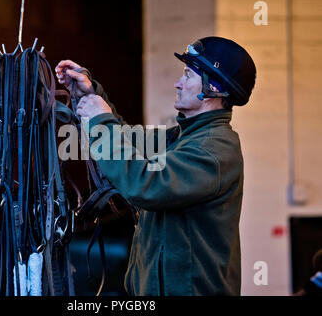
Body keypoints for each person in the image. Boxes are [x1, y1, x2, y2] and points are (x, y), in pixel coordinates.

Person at [55, 36, 256, 296]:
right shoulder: (183, 137)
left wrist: (100, 120)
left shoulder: (212, 151)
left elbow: (145, 184)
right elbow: (127, 140)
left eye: (188, 75)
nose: (178, 83)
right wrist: (91, 95)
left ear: (213, 88)